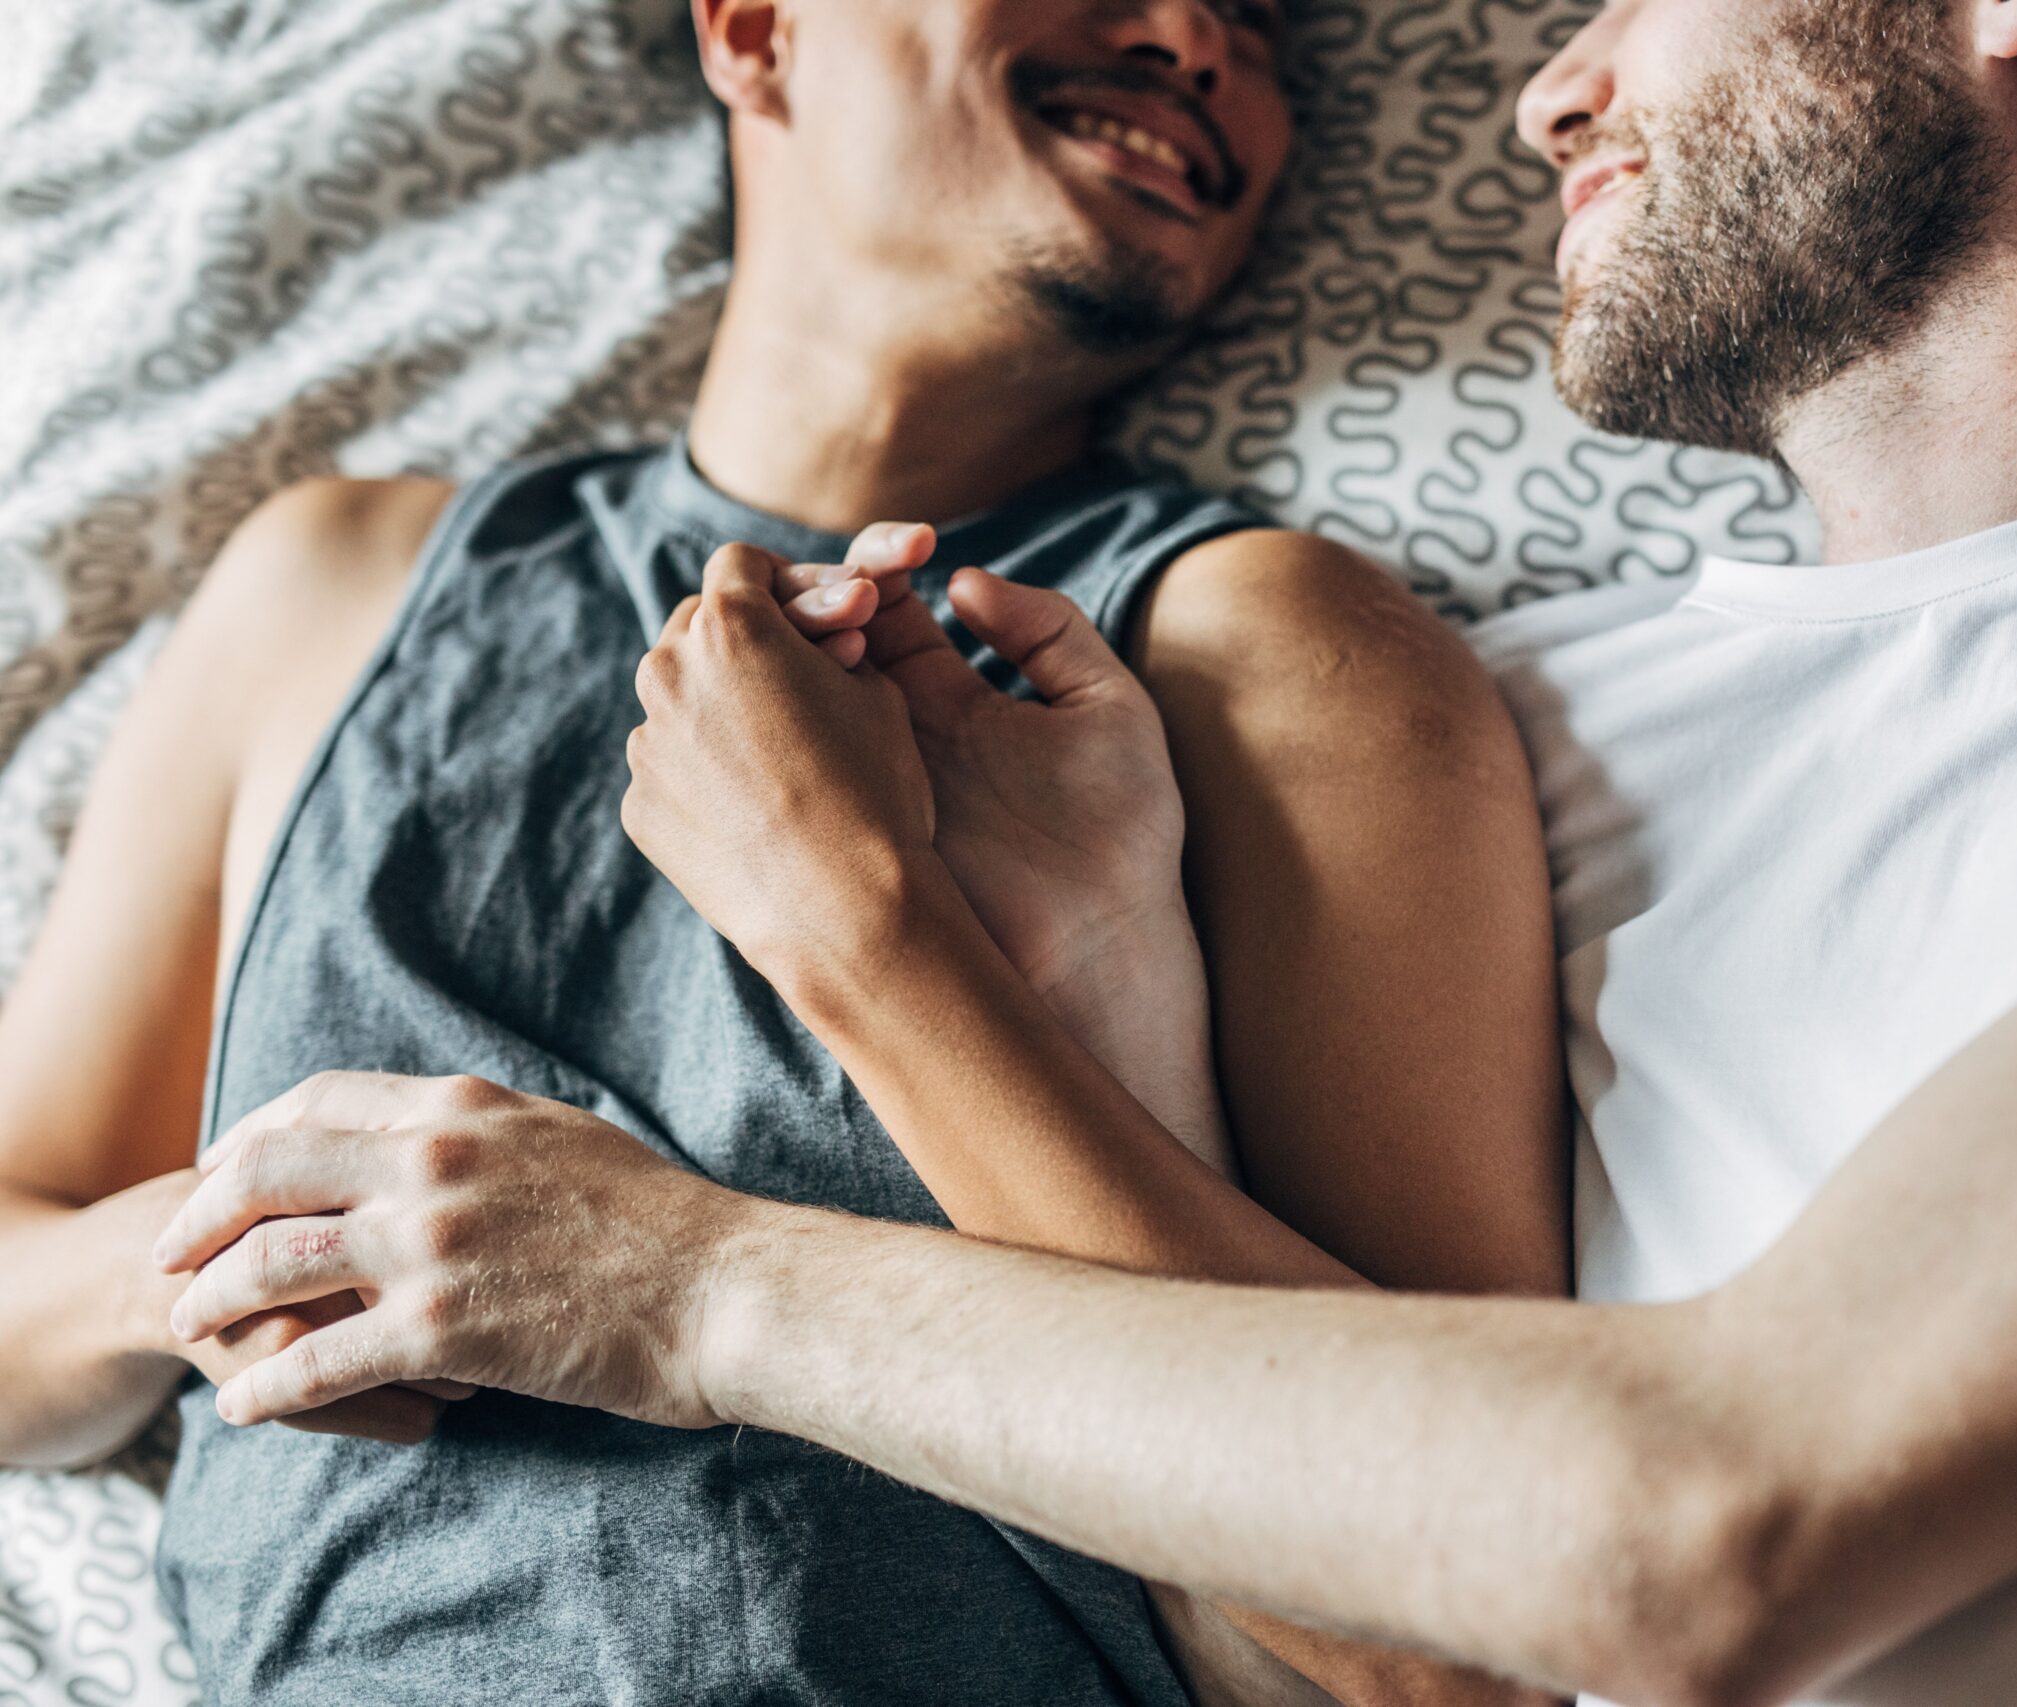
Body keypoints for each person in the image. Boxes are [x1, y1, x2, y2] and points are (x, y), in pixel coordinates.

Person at [143, 0, 2017, 1703]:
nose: (1541, 86)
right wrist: (1095, 966)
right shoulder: (1488, 714)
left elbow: (1706, 1530)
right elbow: (1320, 1637)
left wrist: (682, 1278)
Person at [0, 2, 1575, 1704]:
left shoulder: (1267, 655)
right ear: (757, 31)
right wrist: (251, 1252)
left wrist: (875, 929)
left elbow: (1463, 1645)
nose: (1198, 35)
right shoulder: (332, 583)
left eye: (1260, 21)